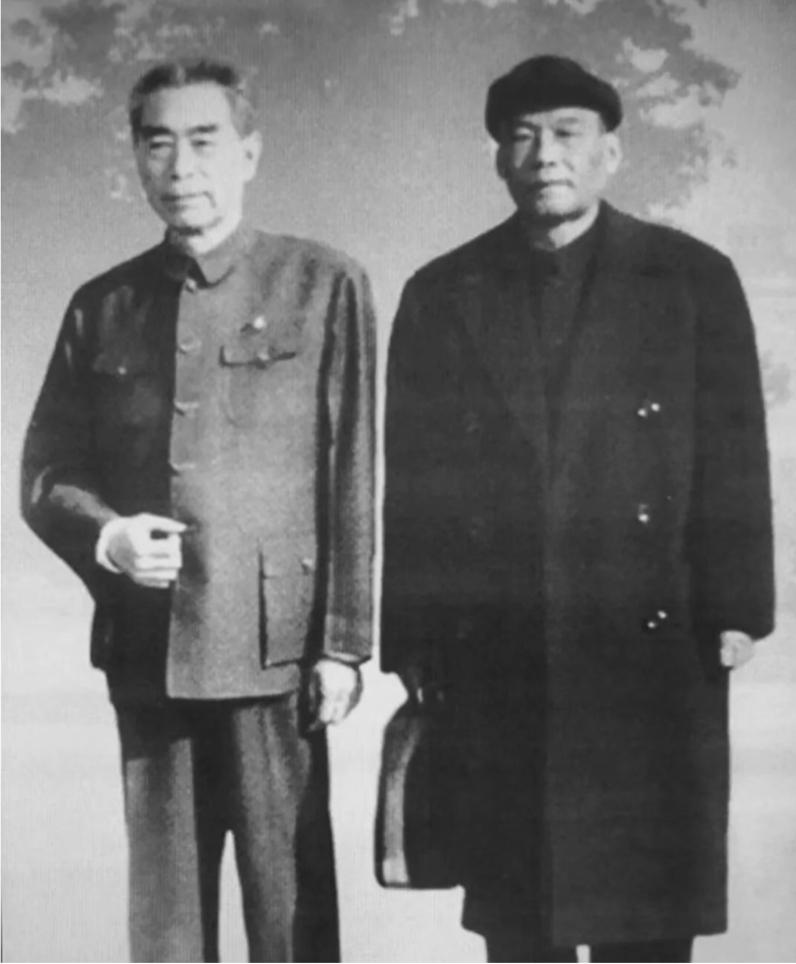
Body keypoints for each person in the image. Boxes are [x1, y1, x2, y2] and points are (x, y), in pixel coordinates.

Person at [381, 55, 774, 963]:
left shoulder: (691, 277)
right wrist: (414, 637)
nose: (544, 155)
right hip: (502, 646)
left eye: (566, 134)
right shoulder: (443, 292)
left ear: (611, 153)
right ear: (497, 160)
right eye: (522, 137)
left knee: (650, 911)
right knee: (521, 918)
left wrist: (737, 604)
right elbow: (415, 484)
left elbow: (734, 452)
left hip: (652, 634)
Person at [21, 57, 375, 963]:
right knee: (167, 931)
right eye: (158, 144)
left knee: (292, 922)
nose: (181, 167)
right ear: (137, 159)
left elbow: (351, 470)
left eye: (204, 142)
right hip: (149, 648)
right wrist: (108, 537)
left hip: (274, 653)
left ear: (249, 153)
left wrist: (343, 643)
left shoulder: (322, 283)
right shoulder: (102, 305)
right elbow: (47, 472)